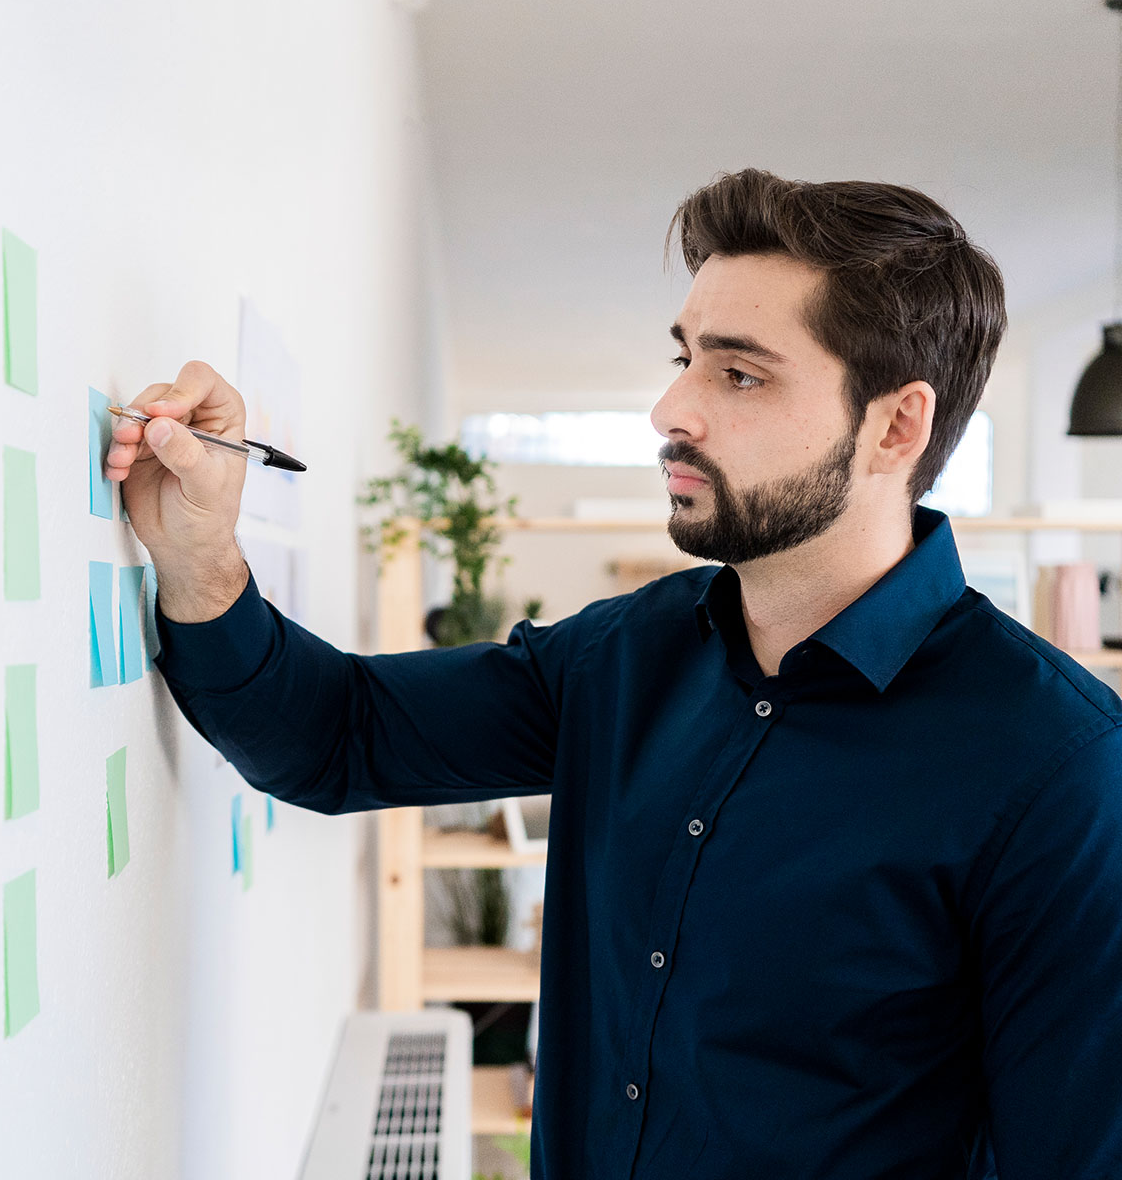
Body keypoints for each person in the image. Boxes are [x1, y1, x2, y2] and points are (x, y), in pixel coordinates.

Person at [106, 169, 1122, 1179]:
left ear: (895, 426)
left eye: (740, 374)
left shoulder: (1057, 766)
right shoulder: (620, 658)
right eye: (685, 359)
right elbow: (337, 736)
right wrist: (200, 556)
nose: (671, 410)